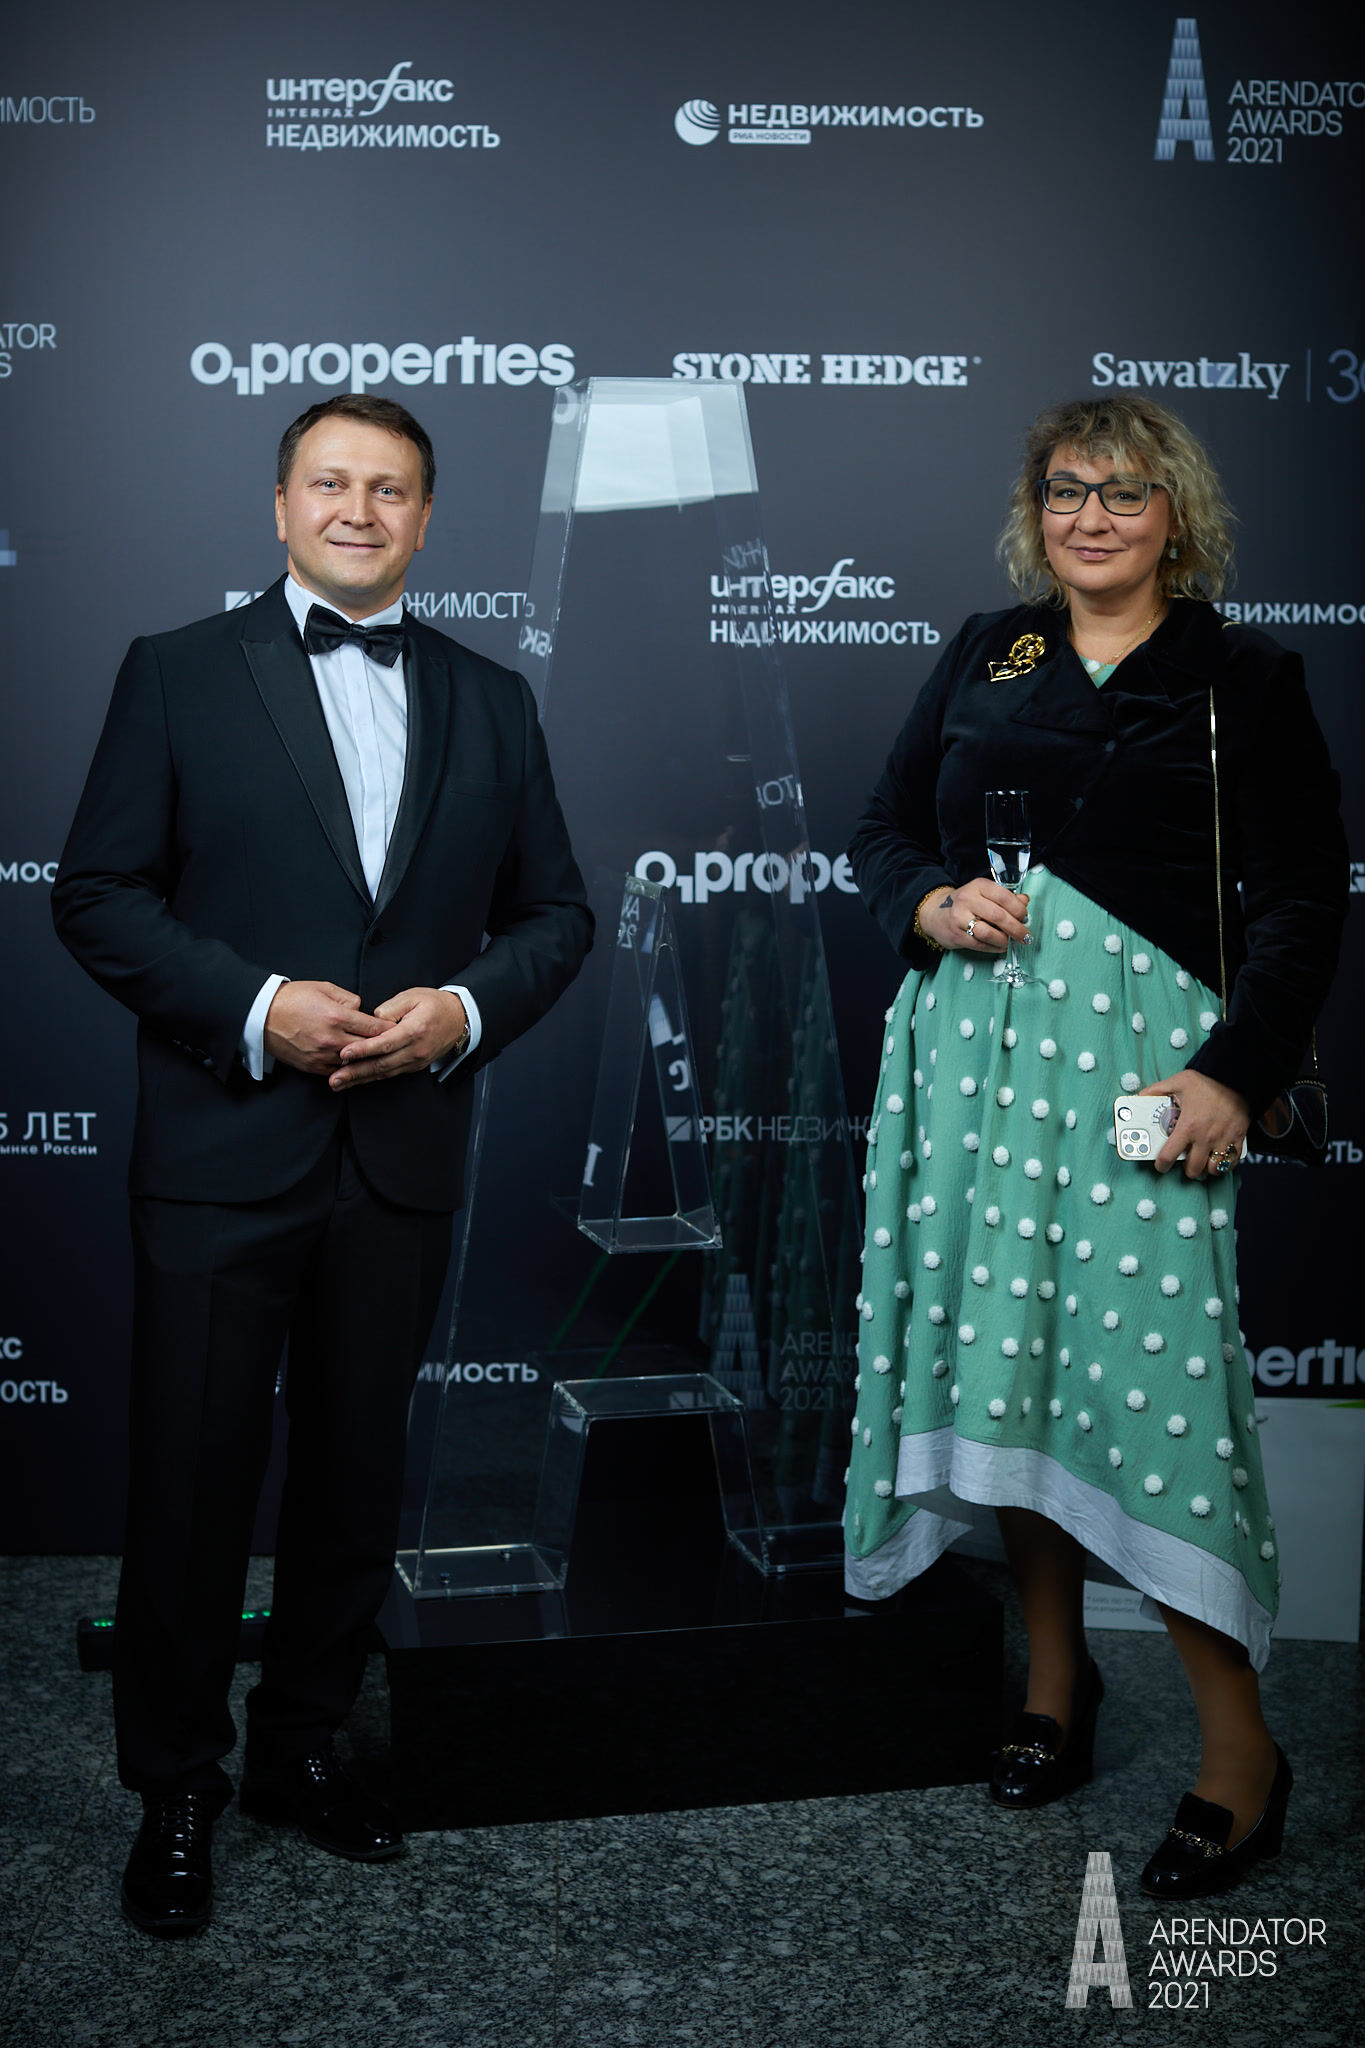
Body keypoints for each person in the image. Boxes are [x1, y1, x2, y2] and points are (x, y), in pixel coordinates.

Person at [51, 395, 592, 1934]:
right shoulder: (174, 672)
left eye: (390, 488)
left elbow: (557, 914)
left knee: (357, 1479)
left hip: (400, 1151)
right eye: (330, 483)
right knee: (192, 1484)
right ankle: (176, 1788)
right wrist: (258, 1005)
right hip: (223, 1148)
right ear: (279, 506)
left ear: (426, 519)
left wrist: (459, 1014)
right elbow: (96, 894)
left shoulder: (493, 698)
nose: (359, 509)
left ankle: (300, 1750)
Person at [842, 396, 1346, 1898]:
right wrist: (929, 904)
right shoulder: (985, 650)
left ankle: (1239, 1753)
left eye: (1124, 493)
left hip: (1146, 1078)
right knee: (1004, 1362)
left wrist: (1234, 1073)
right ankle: (1056, 1683)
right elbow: (882, 832)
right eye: (1066, 491)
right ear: (1035, 510)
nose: (1091, 517)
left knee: (1154, 1387)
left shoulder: (1243, 674)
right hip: (971, 1067)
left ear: (1173, 515)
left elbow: (1301, 896)